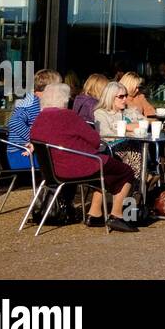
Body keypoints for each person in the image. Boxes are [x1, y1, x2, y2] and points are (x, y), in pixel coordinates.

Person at [31, 83, 138, 232]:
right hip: (76, 168)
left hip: (52, 171)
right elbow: (95, 140)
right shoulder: (68, 116)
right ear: (64, 100)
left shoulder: (39, 119)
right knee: (125, 171)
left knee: (106, 170)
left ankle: (94, 214)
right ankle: (117, 215)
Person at [5, 68, 63, 169]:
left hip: (28, 153)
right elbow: (14, 122)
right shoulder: (31, 103)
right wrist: (35, 139)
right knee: (61, 165)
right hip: (22, 154)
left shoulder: (38, 101)